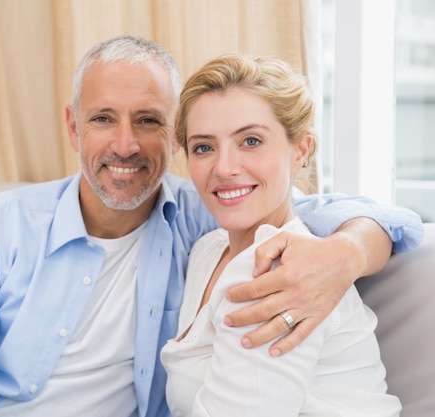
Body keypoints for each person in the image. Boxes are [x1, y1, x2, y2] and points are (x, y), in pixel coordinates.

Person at [0, 35, 420, 417]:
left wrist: (344, 256)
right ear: (74, 127)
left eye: (148, 121)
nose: (125, 145)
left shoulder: (215, 218)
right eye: (104, 118)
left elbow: (351, 214)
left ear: (169, 135)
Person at [160, 54, 402, 416]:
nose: (224, 168)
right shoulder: (209, 249)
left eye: (251, 141)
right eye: (204, 147)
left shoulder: (279, 272)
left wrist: (353, 249)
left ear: (300, 150)